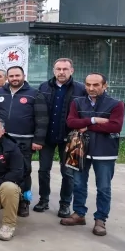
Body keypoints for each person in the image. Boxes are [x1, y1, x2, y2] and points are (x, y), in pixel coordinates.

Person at [61, 74, 125, 236]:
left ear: (105, 85)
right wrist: (94, 120)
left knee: (103, 188)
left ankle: (100, 219)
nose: (91, 88)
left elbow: (115, 127)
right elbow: (71, 122)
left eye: (96, 84)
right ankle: (79, 214)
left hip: (105, 152)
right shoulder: (77, 102)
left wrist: (87, 126)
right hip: (80, 150)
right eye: (88, 84)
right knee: (78, 184)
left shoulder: (116, 104)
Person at [0, 65, 47, 217]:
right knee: (0, 169)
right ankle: (0, 201)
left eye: (17, 75)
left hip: (24, 141)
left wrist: (38, 139)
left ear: (23, 76)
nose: (14, 78)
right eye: (12, 76)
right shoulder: (0, 92)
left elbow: (42, 119)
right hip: (2, 140)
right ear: (7, 77)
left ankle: (23, 202)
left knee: (23, 172)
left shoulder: (35, 94)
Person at [35, 58, 87, 216]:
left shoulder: (81, 89)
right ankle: (44, 199)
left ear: (72, 71)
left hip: (70, 138)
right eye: (58, 69)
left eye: (65, 69)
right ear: (53, 70)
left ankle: (65, 203)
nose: (61, 72)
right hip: (47, 137)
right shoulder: (44, 87)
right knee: (43, 170)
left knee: (68, 173)